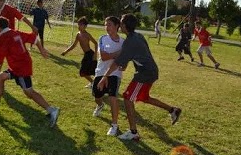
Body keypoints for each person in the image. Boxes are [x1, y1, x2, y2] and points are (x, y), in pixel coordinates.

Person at [97, 13, 182, 141]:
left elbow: (116, 63)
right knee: (144, 97)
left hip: (145, 74)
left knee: (127, 98)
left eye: (121, 22)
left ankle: (133, 132)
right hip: (150, 71)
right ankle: (173, 110)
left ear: (124, 26)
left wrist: (104, 77)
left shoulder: (130, 41)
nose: (119, 24)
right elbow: (133, 56)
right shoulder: (137, 36)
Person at [0, 17, 60, 127]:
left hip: (21, 68)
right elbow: (35, 39)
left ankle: (52, 110)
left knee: (29, 92)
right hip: (18, 66)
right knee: (0, 77)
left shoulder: (3, 37)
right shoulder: (15, 32)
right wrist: (41, 50)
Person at [91, 16, 124, 136]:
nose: (106, 27)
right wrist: (119, 54)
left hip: (115, 73)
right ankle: (100, 105)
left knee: (113, 97)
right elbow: (104, 57)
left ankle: (114, 125)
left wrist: (121, 60)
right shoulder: (102, 39)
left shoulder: (123, 42)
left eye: (109, 24)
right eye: (105, 24)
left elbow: (124, 61)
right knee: (97, 95)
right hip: (100, 72)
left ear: (117, 26)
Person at [61, 16, 98, 88]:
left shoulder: (87, 35)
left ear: (85, 26)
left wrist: (95, 55)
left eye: (80, 24)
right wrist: (65, 52)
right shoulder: (78, 34)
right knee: (84, 72)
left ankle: (94, 83)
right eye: (78, 24)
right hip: (86, 55)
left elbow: (96, 43)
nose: (79, 26)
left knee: (87, 71)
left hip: (90, 54)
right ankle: (93, 82)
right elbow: (74, 45)